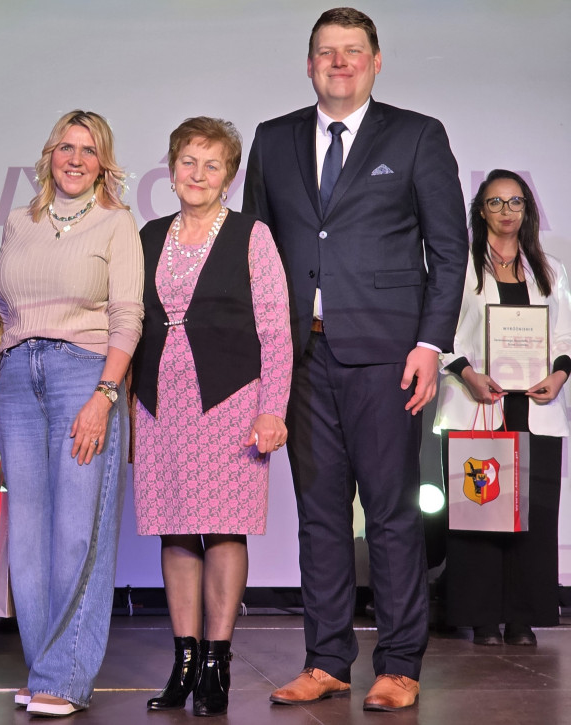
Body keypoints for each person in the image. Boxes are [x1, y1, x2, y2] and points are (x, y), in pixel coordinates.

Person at [241, 7, 468, 712]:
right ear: (308, 65)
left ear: (375, 62)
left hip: (389, 357)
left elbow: (450, 249)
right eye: (326, 53)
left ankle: (399, 663)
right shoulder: (273, 140)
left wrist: (431, 344)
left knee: (393, 514)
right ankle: (327, 658)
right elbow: (257, 255)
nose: (339, 63)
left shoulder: (417, 134)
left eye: (352, 52)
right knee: (319, 515)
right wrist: (263, 364)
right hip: (303, 360)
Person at [132, 117, 292, 717]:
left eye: (212, 164)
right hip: (159, 401)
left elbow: (276, 330)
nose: (197, 174)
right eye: (188, 162)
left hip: (230, 400)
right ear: (171, 167)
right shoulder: (147, 234)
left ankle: (218, 667)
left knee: (224, 528)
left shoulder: (252, 235)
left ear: (229, 175)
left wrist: (272, 409)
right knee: (175, 530)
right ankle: (185, 664)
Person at [0, 110, 144, 717]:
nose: (75, 159)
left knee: (78, 531)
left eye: (88, 150)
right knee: (26, 540)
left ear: (103, 162)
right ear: (49, 154)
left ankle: (67, 676)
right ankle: (44, 667)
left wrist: (105, 396)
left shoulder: (117, 223)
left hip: (85, 377)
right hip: (15, 379)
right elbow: (5, 313)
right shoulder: (16, 222)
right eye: (65, 147)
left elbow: (127, 317)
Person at [435, 170, 571, 647]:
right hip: (479, 401)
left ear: (527, 210)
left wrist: (559, 373)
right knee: (479, 511)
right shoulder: (462, 267)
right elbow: (443, 332)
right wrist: (467, 373)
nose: (507, 211)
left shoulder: (549, 268)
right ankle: (482, 618)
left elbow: (565, 334)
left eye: (515, 202)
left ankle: (521, 618)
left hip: (535, 405)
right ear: (481, 211)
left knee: (534, 513)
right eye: (496, 202)